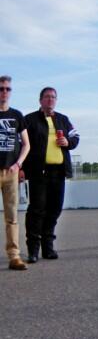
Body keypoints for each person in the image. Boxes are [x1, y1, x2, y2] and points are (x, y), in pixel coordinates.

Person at [23, 87, 80, 262]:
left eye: (53, 97)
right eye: (47, 97)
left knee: (54, 209)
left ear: (56, 100)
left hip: (59, 172)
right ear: (40, 100)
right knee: (37, 210)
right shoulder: (29, 120)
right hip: (38, 172)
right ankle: (33, 250)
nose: (50, 100)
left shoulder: (63, 119)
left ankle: (48, 247)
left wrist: (67, 142)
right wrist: (21, 168)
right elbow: (22, 145)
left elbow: (75, 137)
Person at [0, 76, 30, 270]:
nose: (4, 92)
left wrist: (18, 164)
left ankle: (14, 256)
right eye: (1, 88)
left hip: (10, 172)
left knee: (12, 217)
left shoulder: (17, 115)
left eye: (7, 89)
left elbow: (26, 144)